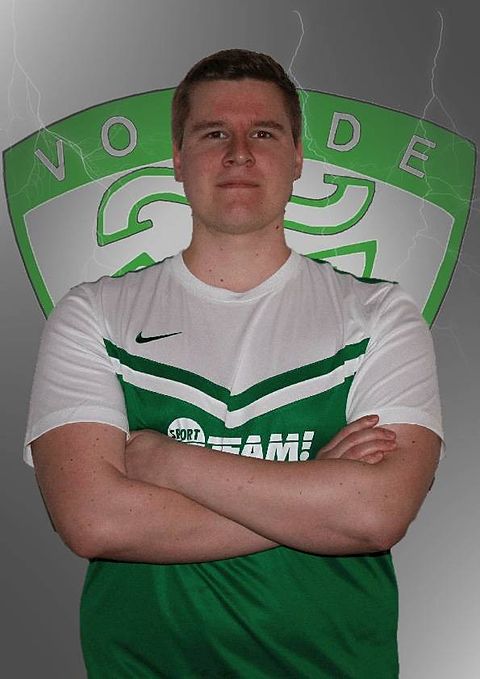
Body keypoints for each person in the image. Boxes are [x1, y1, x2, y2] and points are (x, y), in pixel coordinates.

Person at [25, 49, 442, 678]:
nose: (239, 153)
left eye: (264, 133)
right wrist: (315, 488)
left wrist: (168, 461)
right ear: (177, 158)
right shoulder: (94, 314)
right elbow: (94, 521)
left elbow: (375, 513)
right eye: (214, 133)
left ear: (298, 158)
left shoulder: (379, 312)